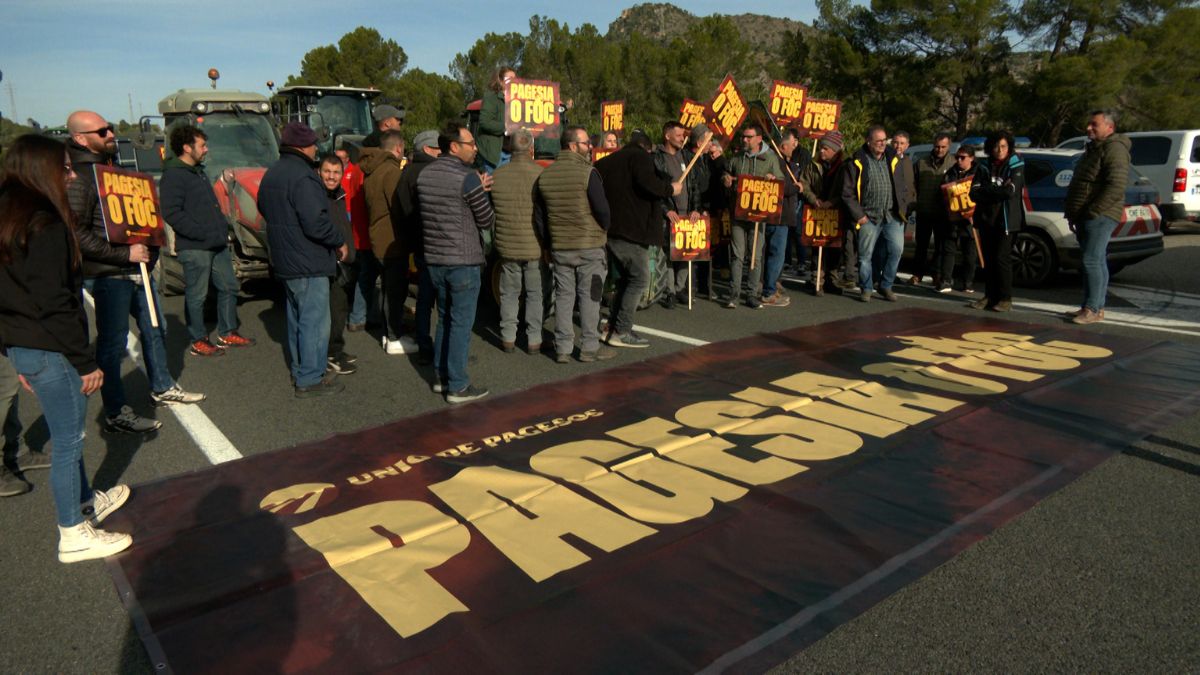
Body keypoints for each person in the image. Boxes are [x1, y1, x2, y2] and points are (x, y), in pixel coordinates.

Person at [0, 134, 132, 561]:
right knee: (69, 439)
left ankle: (85, 502)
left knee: (66, 435)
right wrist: (84, 360)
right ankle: (73, 532)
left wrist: (13, 350)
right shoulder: (46, 225)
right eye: (66, 167)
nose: (72, 174)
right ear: (42, 170)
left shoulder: (9, 220)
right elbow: (55, 300)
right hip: (50, 348)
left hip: (27, 346)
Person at [66, 110, 204, 432]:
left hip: (139, 270)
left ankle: (162, 387)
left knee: (156, 331)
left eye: (110, 128)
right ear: (80, 138)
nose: (111, 134)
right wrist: (123, 253)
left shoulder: (113, 169)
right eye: (102, 132)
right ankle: (116, 412)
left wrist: (150, 252)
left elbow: (142, 220)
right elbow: (76, 234)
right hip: (108, 275)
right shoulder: (77, 178)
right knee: (112, 345)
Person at [258, 122, 348, 398]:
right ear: (303, 146)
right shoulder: (304, 177)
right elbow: (315, 222)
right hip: (308, 259)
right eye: (313, 144)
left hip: (286, 259)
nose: (316, 149)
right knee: (314, 322)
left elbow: (263, 206)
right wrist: (338, 240)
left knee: (297, 319)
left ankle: (302, 370)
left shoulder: (272, 174)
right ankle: (310, 378)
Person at [160, 124, 255, 358]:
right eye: (202, 145)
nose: (206, 149)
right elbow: (171, 213)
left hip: (217, 243)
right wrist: (200, 233)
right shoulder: (174, 175)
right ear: (186, 147)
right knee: (197, 295)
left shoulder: (198, 172)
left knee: (229, 286)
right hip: (195, 247)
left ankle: (227, 332)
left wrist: (223, 228)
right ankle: (198, 339)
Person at [417, 122, 494, 403]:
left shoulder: (425, 175)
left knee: (445, 318)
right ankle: (458, 385)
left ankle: (441, 376)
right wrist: (481, 192)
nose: (475, 148)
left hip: (435, 258)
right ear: (454, 146)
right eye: (470, 143)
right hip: (463, 261)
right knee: (461, 323)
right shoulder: (467, 178)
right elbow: (486, 219)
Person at [536, 125, 614, 363]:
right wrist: (604, 227)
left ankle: (562, 348)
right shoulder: (587, 173)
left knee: (564, 296)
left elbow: (540, 216)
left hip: (560, 247)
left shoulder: (545, 175)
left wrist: (547, 246)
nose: (590, 147)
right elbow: (602, 209)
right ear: (572, 146)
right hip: (589, 246)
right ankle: (589, 347)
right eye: (585, 143)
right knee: (590, 297)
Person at [599, 129, 679, 346]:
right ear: (647, 148)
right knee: (639, 279)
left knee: (626, 279)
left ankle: (613, 326)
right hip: (631, 230)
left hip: (610, 228)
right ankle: (621, 331)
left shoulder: (607, 161)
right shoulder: (639, 158)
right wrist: (670, 188)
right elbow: (649, 184)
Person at [1064, 110, 1130, 325]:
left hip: (1099, 215)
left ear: (1109, 128)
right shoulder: (1095, 149)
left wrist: (1093, 211)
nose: (1088, 128)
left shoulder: (1114, 149)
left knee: (1091, 260)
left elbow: (1116, 185)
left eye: (1094, 124)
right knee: (1096, 260)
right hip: (1086, 214)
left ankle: (1092, 309)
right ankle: (1092, 306)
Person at [360, 130, 417, 355]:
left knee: (386, 289)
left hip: (378, 237)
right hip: (392, 239)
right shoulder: (391, 172)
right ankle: (395, 337)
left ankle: (388, 334)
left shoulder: (372, 170)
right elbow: (400, 207)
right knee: (395, 291)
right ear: (399, 148)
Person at [492, 128, 546, 354]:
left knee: (509, 293)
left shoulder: (497, 175)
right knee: (534, 293)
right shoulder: (540, 174)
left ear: (510, 147)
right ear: (531, 148)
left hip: (506, 244)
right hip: (533, 245)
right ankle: (534, 339)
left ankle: (507, 337)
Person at [841, 125, 910, 302]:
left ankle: (885, 285)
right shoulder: (856, 161)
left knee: (896, 250)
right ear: (868, 141)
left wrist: (903, 208)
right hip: (868, 217)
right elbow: (847, 193)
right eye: (878, 140)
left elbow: (903, 186)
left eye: (884, 140)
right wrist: (859, 215)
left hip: (891, 215)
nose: (882, 144)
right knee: (865, 257)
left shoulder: (892, 158)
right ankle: (866, 288)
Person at [721, 123, 782, 309]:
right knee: (737, 255)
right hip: (738, 214)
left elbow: (781, 182)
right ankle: (734, 294)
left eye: (748, 137)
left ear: (759, 139)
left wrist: (774, 179)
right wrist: (726, 178)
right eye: (743, 137)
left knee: (755, 256)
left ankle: (752, 294)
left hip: (759, 216)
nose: (744, 140)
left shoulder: (771, 158)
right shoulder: (737, 158)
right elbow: (727, 172)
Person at [395, 130, 441, 364]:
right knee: (443, 300)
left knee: (424, 298)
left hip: (417, 244)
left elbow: (402, 210)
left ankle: (423, 343)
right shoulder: (434, 172)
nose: (441, 151)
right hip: (436, 243)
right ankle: (444, 350)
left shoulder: (406, 173)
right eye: (437, 148)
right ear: (427, 149)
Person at [969, 130, 1025, 312]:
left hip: (1007, 220)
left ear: (1008, 147)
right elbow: (974, 193)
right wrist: (996, 190)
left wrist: (989, 190)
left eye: (1003, 146)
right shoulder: (983, 165)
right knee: (989, 260)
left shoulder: (1016, 164)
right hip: (986, 219)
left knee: (1002, 259)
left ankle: (1005, 298)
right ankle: (989, 296)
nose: (999, 150)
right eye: (996, 146)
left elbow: (1010, 192)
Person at [652, 121, 703, 308]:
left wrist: (696, 208)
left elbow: (695, 186)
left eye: (683, 135)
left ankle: (680, 288)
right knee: (670, 254)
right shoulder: (657, 159)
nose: (683, 138)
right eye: (679, 135)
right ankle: (669, 291)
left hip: (688, 215)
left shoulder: (687, 156)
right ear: (667, 136)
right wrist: (666, 210)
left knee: (686, 253)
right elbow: (655, 188)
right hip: (669, 215)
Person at [319, 153, 358, 375]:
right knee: (332, 311)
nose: (331, 177)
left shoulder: (339, 194)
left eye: (336, 172)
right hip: (329, 262)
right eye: (327, 172)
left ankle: (336, 348)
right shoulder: (319, 196)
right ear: (319, 172)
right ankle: (331, 354)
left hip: (344, 261)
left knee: (340, 309)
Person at [798, 130, 846, 295]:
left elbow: (847, 189)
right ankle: (816, 279)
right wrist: (814, 200)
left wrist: (831, 203)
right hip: (816, 210)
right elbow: (803, 184)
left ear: (834, 150)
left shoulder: (844, 166)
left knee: (834, 247)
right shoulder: (813, 164)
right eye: (821, 148)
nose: (821, 151)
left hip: (836, 212)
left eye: (825, 148)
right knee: (816, 245)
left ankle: (832, 279)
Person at [761, 128, 805, 307]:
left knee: (774, 253)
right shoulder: (775, 161)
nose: (794, 149)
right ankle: (768, 291)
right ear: (783, 145)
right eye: (792, 145)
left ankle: (770, 285)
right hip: (778, 215)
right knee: (776, 253)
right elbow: (782, 188)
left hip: (783, 215)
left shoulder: (786, 162)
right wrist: (797, 187)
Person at [337, 143, 374, 333]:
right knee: (366, 275)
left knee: (365, 274)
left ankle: (365, 314)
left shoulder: (356, 170)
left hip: (358, 228)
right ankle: (359, 316)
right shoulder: (364, 171)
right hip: (364, 231)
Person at [912, 132, 954, 287]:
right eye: (937, 146)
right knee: (921, 245)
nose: (939, 150)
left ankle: (936, 274)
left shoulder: (953, 163)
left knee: (940, 247)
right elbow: (913, 185)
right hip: (924, 210)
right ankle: (917, 274)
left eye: (943, 147)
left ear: (948, 146)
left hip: (943, 213)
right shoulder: (921, 162)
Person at [937, 145, 979, 293]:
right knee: (948, 251)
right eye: (957, 157)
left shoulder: (979, 173)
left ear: (971, 158)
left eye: (963, 158)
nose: (959, 160)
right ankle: (946, 280)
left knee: (969, 253)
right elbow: (942, 194)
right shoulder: (950, 173)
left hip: (971, 220)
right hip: (952, 219)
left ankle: (967, 282)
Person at [478, 67, 516, 172]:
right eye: (510, 78)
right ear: (501, 80)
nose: (514, 81)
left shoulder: (517, 100)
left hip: (511, 153)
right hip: (495, 154)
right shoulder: (491, 97)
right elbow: (484, 122)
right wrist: (507, 126)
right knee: (494, 185)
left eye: (515, 78)